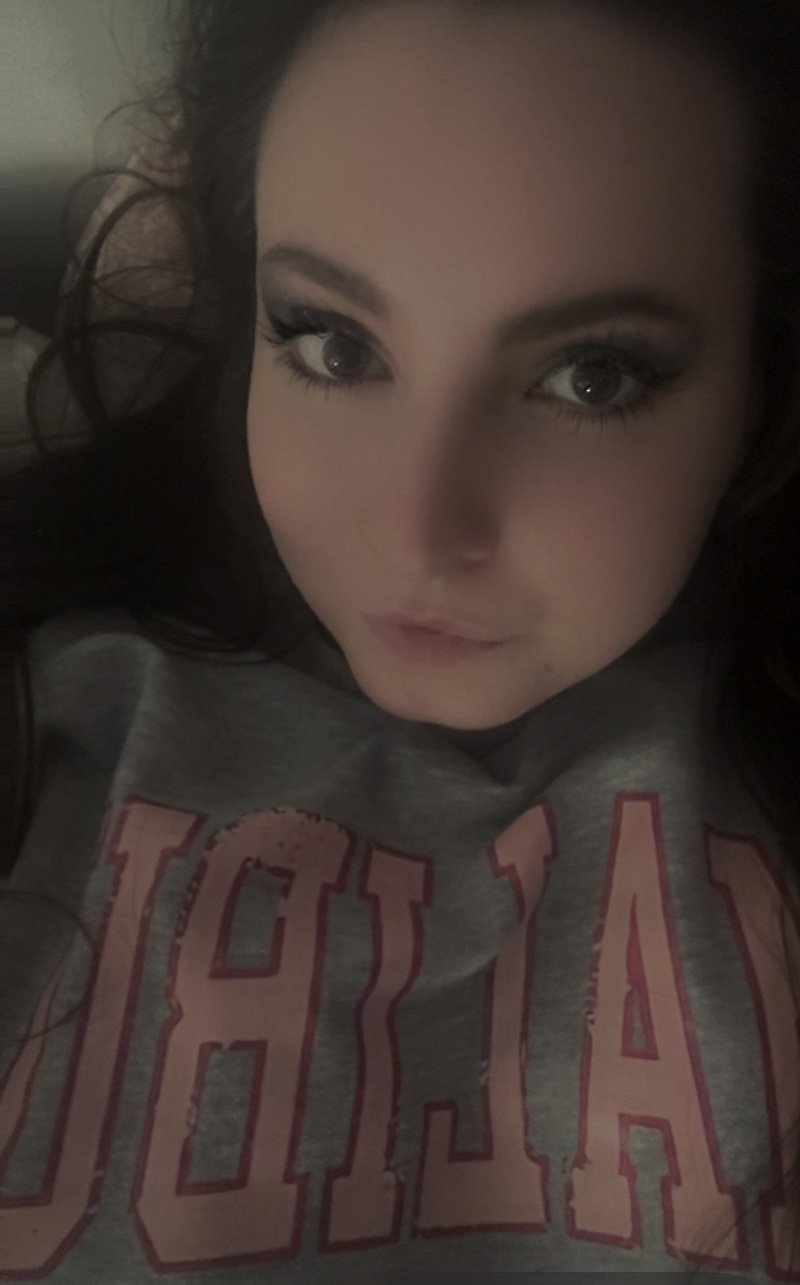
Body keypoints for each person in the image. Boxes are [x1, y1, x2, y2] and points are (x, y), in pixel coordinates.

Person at [3, 0, 800, 1278]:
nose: (420, 534)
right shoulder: (56, 702)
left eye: (590, 375)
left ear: (762, 383)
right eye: (333, 344)